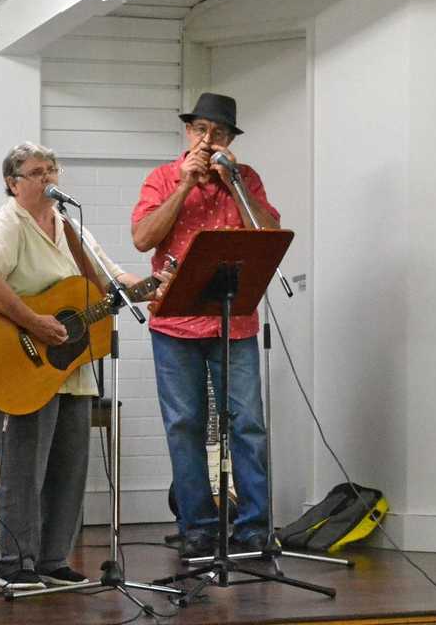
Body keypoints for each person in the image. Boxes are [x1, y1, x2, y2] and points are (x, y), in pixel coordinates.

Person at [0, 141, 169, 590]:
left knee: (69, 465)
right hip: (27, 363)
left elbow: (108, 275)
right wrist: (34, 321)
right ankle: (12, 564)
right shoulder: (10, 222)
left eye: (52, 170)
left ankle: (52, 559)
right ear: (12, 183)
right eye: (38, 172)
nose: (48, 178)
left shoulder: (67, 223)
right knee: (25, 466)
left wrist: (149, 286)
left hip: (71, 366)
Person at [130, 92, 281, 559]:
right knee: (185, 424)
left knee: (248, 424)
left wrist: (233, 182)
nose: (207, 139)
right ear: (188, 132)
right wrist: (184, 186)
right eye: (200, 130)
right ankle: (197, 523)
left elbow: (270, 233)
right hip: (174, 323)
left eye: (217, 133)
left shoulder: (246, 178)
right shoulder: (161, 177)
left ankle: (255, 527)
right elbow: (142, 239)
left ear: (231, 140)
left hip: (234, 322)